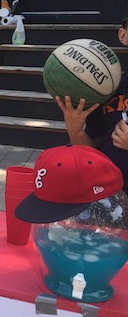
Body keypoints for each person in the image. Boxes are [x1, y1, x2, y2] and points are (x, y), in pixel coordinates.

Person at [55, 17, 128, 194]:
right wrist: (75, 130)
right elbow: (91, 152)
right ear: (123, 35)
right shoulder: (106, 89)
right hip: (107, 199)